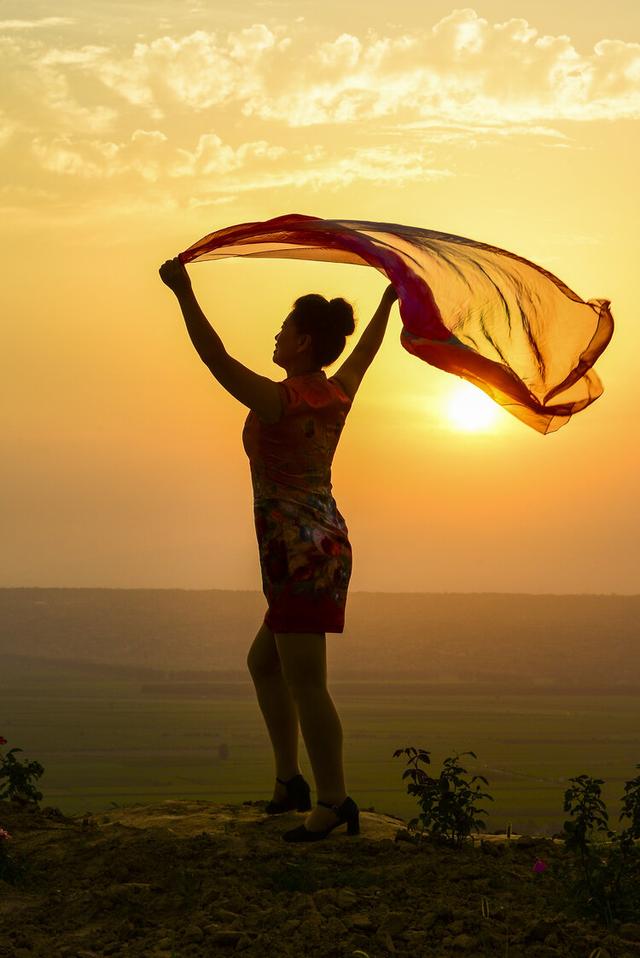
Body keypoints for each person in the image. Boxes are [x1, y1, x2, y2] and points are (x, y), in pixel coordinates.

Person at [160, 255, 397, 840]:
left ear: (303, 342)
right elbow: (364, 353)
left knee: (307, 681)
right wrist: (387, 307)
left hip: (301, 554)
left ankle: (334, 801)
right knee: (264, 663)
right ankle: (290, 783)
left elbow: (215, 359)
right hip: (316, 546)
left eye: (283, 329)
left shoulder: (281, 401)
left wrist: (184, 292)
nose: (275, 335)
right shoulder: (334, 393)